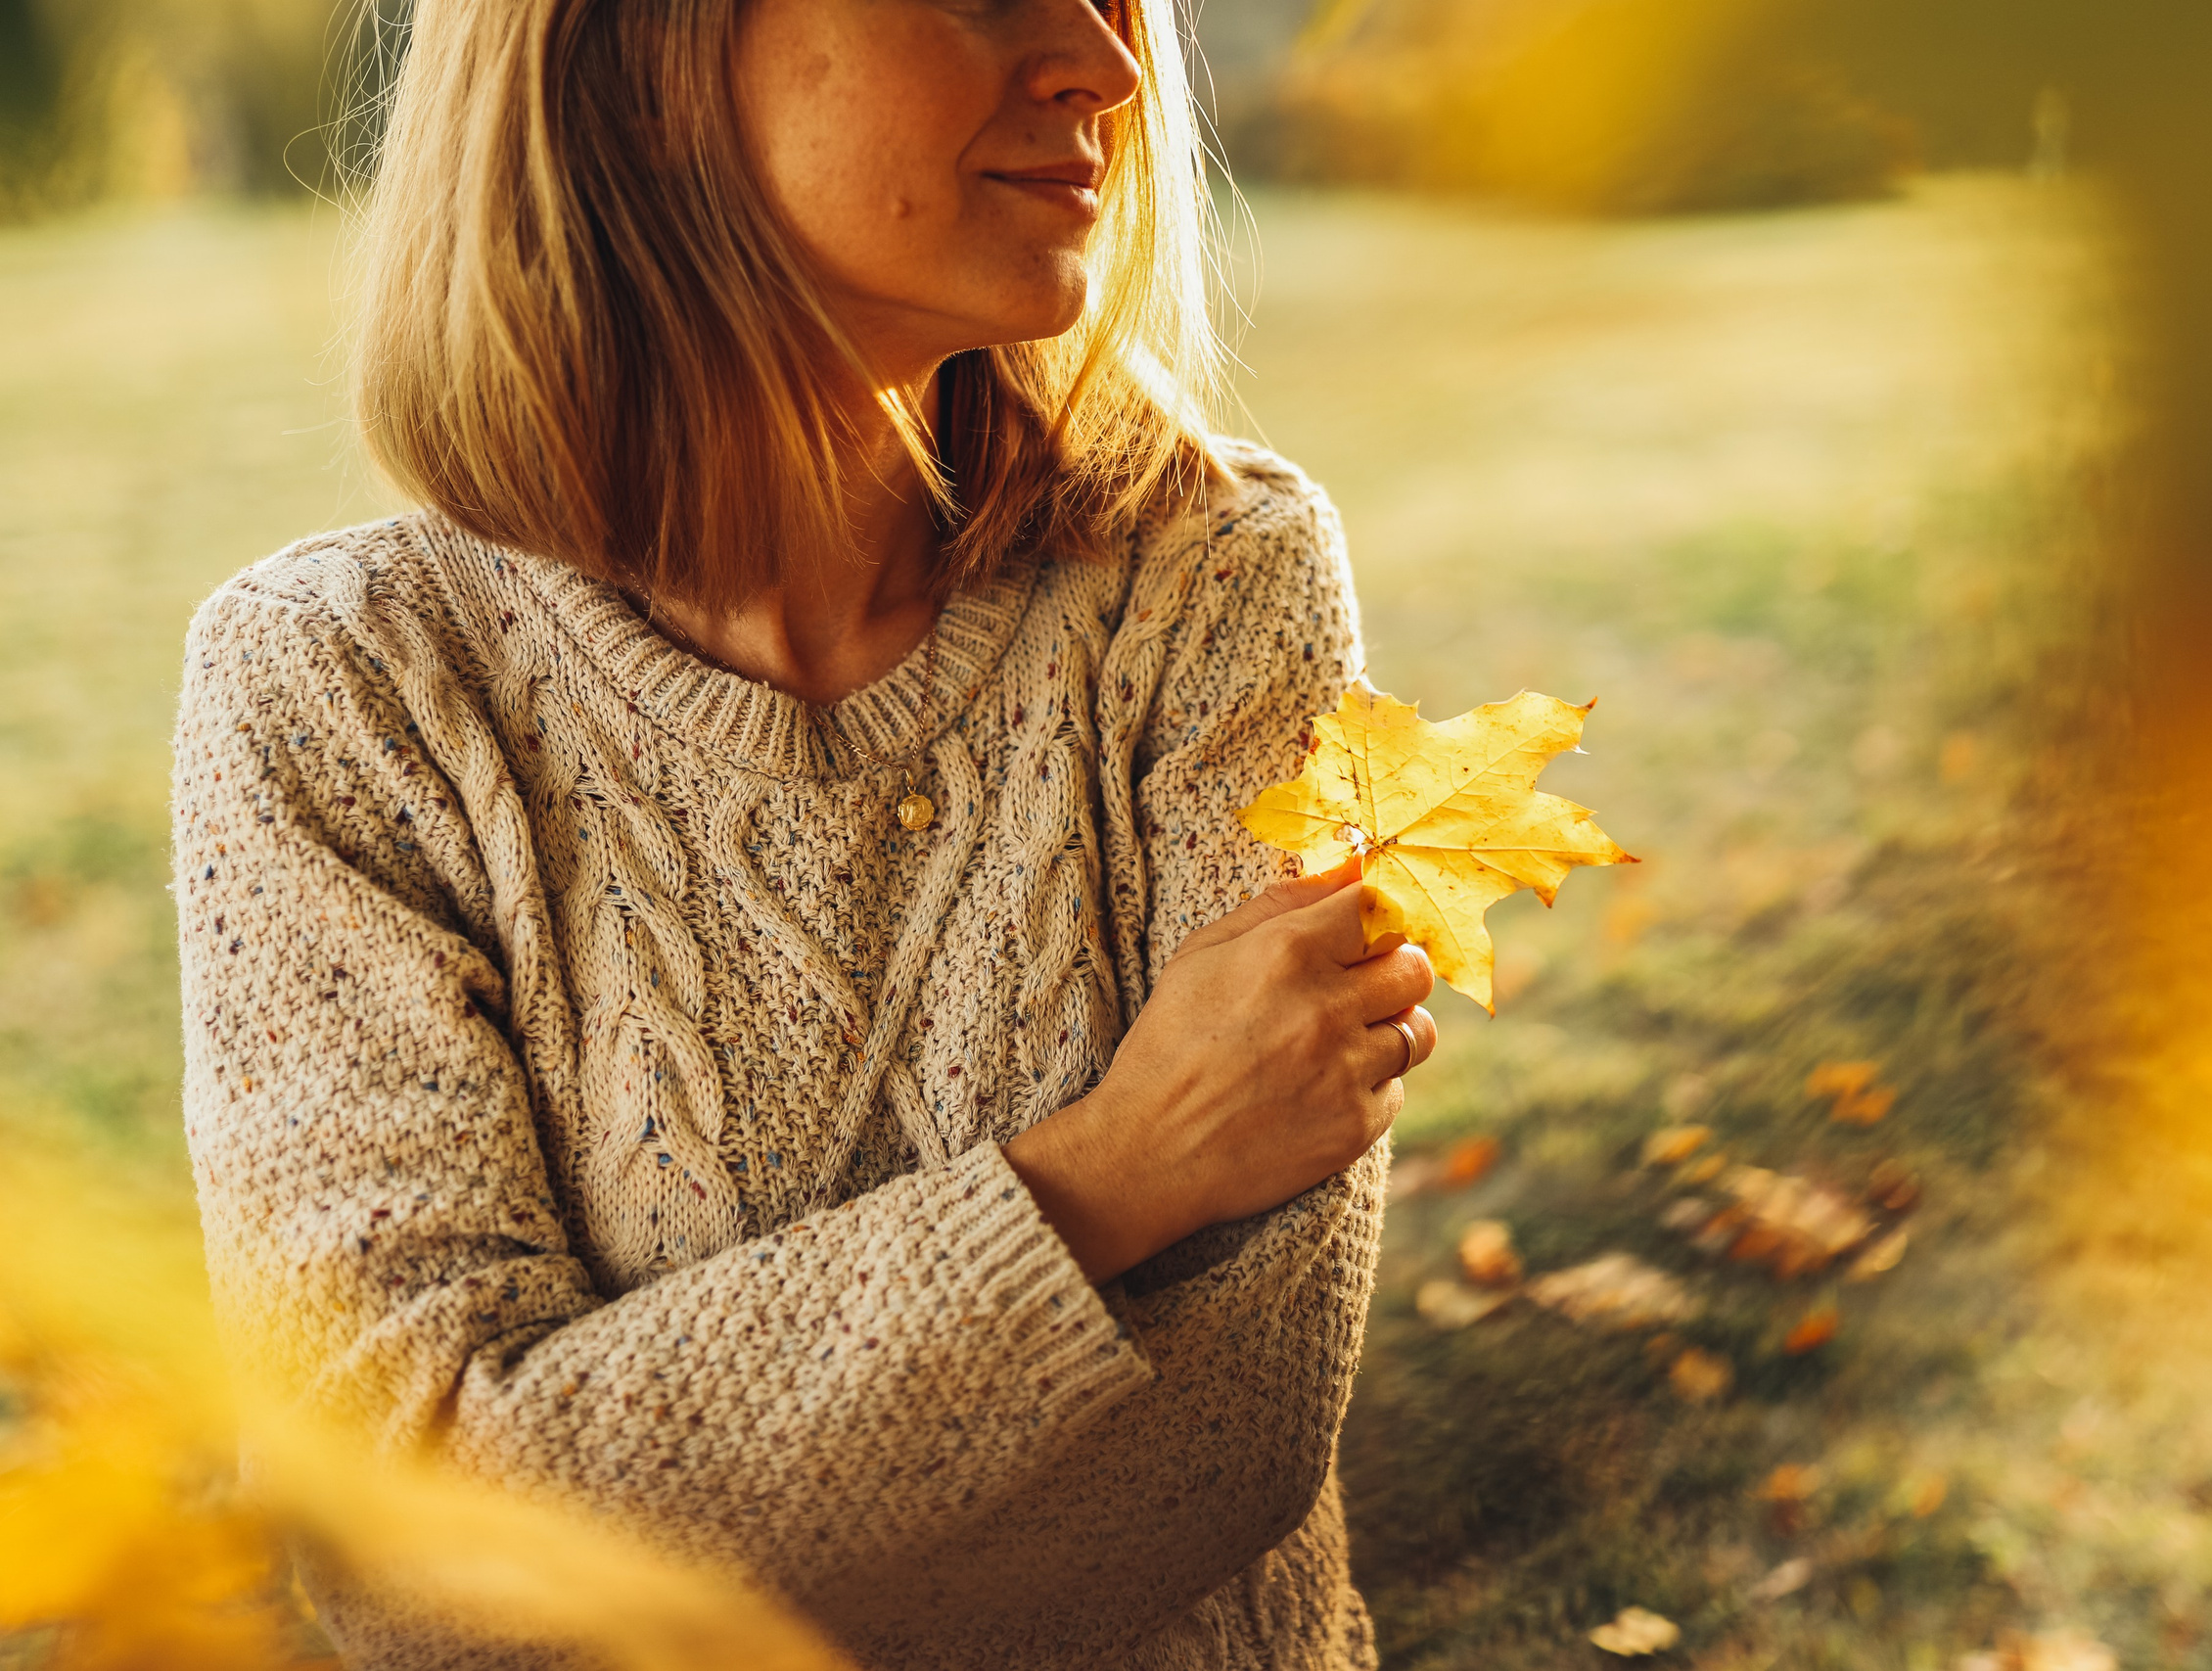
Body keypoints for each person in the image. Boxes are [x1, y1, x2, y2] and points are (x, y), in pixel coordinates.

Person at [169, 0, 1436, 1664]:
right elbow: (412, 1560)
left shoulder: (1213, 582)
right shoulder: (339, 688)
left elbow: (1231, 1446)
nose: (1111, 65)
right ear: (640, 58)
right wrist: (1115, 1175)